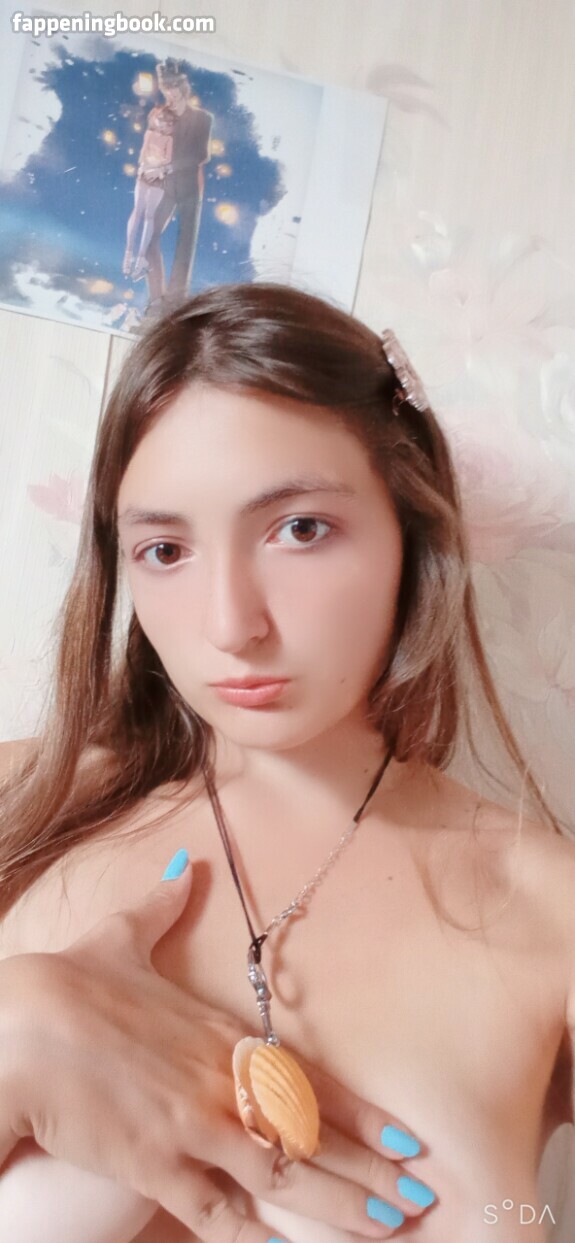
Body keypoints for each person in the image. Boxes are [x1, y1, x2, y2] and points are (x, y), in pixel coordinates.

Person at [0, 281, 573, 1243]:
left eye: (299, 528)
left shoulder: (549, 910)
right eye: (165, 549)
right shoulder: (21, 809)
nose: (231, 624)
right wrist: (14, 1029)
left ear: (411, 533)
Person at [144, 58, 213, 315]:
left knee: (185, 247)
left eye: (173, 88)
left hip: (189, 188)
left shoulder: (203, 118)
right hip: (162, 186)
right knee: (149, 236)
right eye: (165, 89)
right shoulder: (161, 116)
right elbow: (152, 146)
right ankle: (155, 299)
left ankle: (174, 304)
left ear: (183, 87)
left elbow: (201, 155)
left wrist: (169, 166)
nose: (169, 94)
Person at [123, 105, 175, 283]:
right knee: (138, 211)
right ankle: (128, 253)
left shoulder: (168, 139)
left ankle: (139, 257)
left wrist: (158, 167)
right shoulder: (149, 134)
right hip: (145, 174)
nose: (162, 124)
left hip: (157, 178)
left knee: (148, 215)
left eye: (167, 122)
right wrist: (146, 166)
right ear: (154, 119)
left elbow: (168, 159)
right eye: (160, 120)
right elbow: (143, 154)